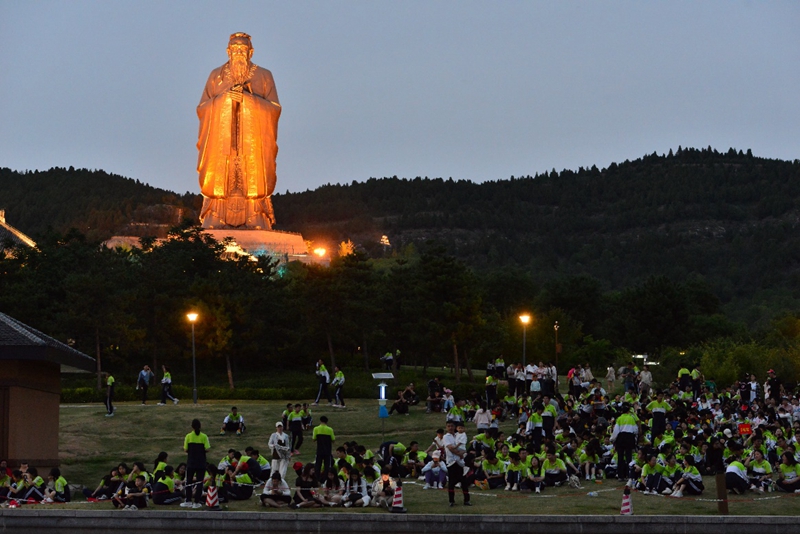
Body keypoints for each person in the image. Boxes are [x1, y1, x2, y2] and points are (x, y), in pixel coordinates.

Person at [196, 32, 281, 229]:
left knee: (253, 176)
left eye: (243, 49)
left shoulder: (264, 75)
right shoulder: (215, 76)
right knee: (220, 176)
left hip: (251, 144)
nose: (239, 53)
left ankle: (256, 214)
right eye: (234, 49)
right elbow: (202, 108)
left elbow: (275, 109)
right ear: (228, 51)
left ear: (251, 52)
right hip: (222, 143)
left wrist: (248, 100)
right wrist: (224, 100)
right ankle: (215, 214)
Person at [180, 418, 210, 509]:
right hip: (201, 463)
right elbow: (207, 449)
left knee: (188, 481)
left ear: (192, 427)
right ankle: (197, 502)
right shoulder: (204, 436)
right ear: (200, 426)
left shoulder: (188, 436)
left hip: (191, 462)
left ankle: (188, 500)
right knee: (200, 482)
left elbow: (185, 449)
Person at [443, 420, 470, 507]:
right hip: (451, 462)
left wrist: (462, 453)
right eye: (448, 426)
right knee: (451, 483)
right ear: (446, 427)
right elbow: (451, 448)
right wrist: (460, 454)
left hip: (459, 462)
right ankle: (451, 500)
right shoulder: (446, 437)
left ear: (454, 427)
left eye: (452, 426)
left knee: (464, 482)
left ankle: (467, 500)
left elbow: (463, 447)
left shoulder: (458, 435)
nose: (450, 428)